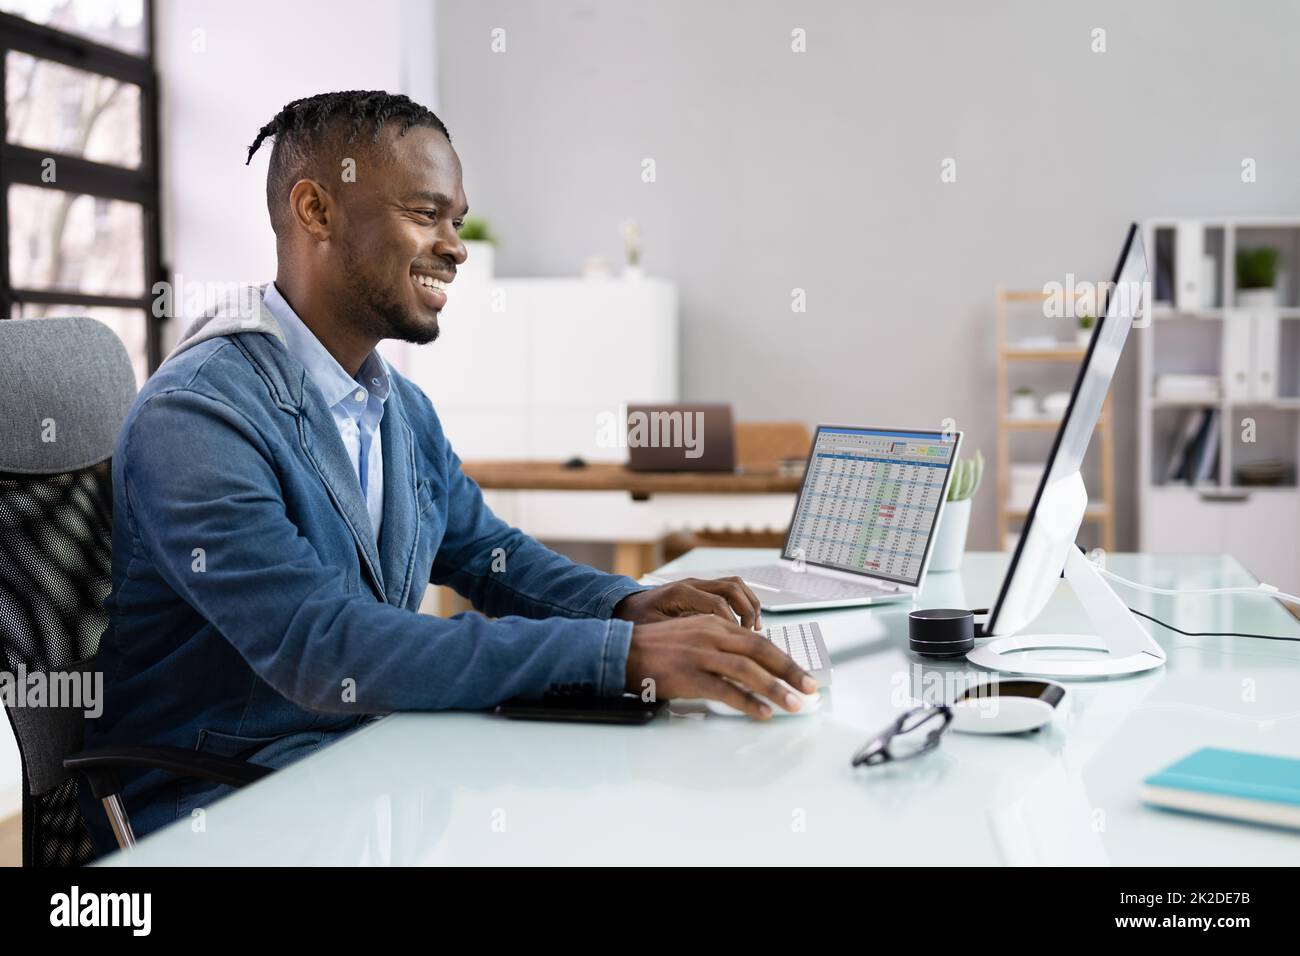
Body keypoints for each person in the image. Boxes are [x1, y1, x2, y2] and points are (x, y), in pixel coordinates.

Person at [80, 91, 815, 853]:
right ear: (316, 210)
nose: (456, 246)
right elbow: (321, 646)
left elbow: (488, 554)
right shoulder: (197, 417)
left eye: (457, 220)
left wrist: (627, 605)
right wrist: (617, 656)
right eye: (426, 214)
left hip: (366, 763)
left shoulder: (397, 408)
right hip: (223, 802)